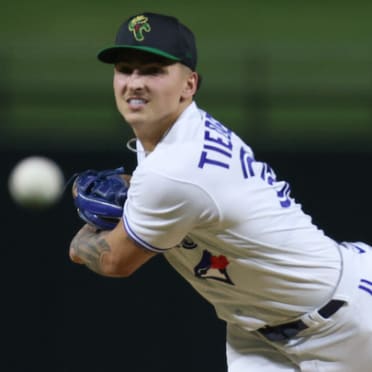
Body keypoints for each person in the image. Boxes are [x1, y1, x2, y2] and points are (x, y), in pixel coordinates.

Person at [69, 12, 372, 371]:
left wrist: (78, 241)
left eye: (153, 70)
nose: (134, 83)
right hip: (258, 334)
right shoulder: (177, 137)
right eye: (125, 69)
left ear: (189, 85)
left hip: (346, 325)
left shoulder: (174, 168)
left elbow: (113, 260)